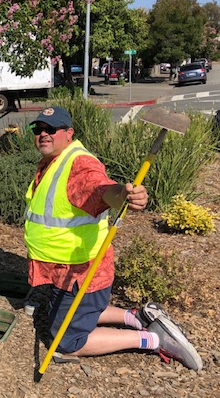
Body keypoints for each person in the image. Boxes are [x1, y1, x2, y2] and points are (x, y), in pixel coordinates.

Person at [24, 105, 202, 371]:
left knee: (66, 341)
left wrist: (122, 195)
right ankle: (137, 316)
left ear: (69, 133)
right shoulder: (54, 161)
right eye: (38, 129)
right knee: (60, 315)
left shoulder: (79, 163)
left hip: (82, 273)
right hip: (64, 270)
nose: (43, 134)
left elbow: (98, 188)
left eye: (51, 129)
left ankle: (152, 338)